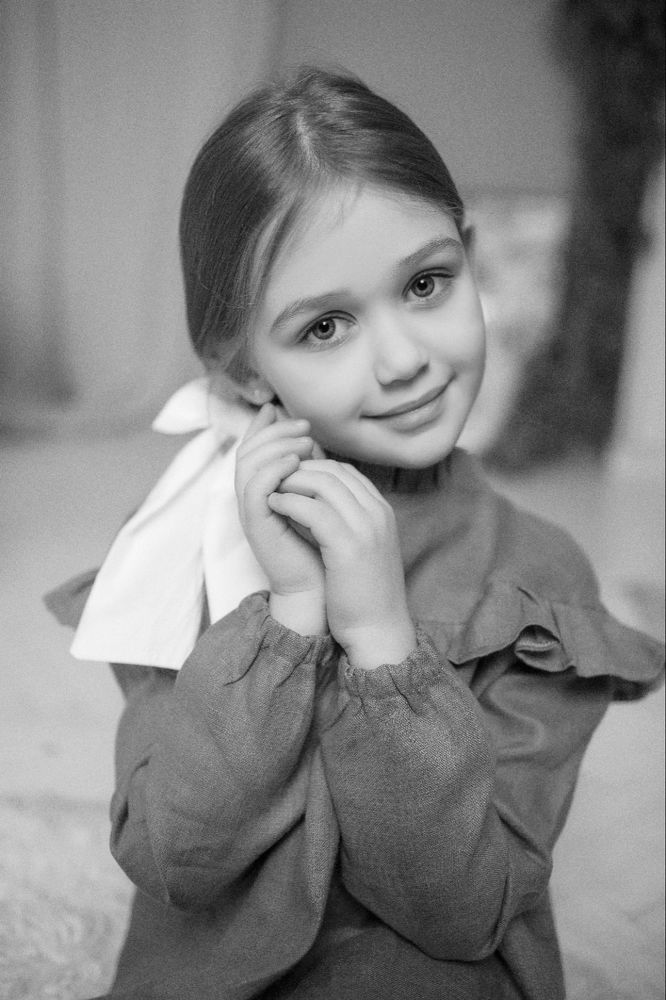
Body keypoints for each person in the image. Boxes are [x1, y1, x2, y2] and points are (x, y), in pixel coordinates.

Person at [46, 67, 663, 1000]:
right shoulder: (185, 540)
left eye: (426, 283)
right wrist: (289, 617)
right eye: (326, 326)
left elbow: (464, 910)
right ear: (244, 371)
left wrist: (382, 644)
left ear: (470, 258)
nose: (404, 358)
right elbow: (173, 857)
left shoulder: (540, 582)